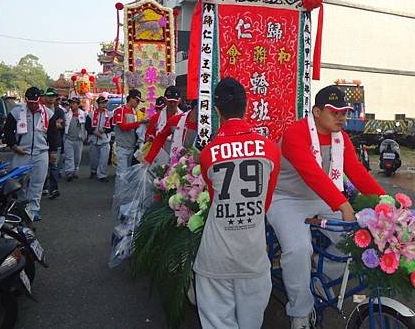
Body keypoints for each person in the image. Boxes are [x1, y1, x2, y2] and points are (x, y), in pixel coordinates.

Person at [266, 85, 385, 329]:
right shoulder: (295, 134)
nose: (342, 117)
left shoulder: (341, 139)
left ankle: (322, 280)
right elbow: (311, 173)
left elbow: (357, 172)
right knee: (299, 250)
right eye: (335, 112)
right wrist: (342, 204)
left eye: (344, 112)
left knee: (354, 239)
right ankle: (299, 311)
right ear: (317, 112)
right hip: (284, 199)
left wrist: (387, 202)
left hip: (321, 197)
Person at [194, 77, 281, 329]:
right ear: (247, 106)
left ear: (217, 110)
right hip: (253, 254)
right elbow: (265, 202)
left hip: (215, 256)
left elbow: (213, 200)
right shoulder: (270, 149)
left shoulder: (208, 153)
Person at [4, 87, 57, 221]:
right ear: (26, 100)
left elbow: (52, 135)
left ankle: (33, 209)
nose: (32, 105)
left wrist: (53, 152)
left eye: (35, 102)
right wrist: (14, 146)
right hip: (22, 152)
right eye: (30, 102)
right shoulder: (16, 112)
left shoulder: (48, 114)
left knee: (37, 183)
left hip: (41, 153)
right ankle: (21, 207)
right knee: (18, 182)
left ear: (40, 100)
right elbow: (8, 132)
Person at [112, 89, 149, 185]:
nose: (138, 103)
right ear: (131, 99)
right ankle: (119, 196)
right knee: (121, 174)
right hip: (122, 147)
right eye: (137, 100)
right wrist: (140, 122)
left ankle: (125, 195)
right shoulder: (120, 110)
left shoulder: (135, 112)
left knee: (127, 174)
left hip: (131, 147)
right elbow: (122, 127)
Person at [144, 100, 197, 165]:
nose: (172, 104)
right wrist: (148, 159)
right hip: (174, 162)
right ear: (195, 108)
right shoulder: (175, 120)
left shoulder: (208, 126)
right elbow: (160, 138)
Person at [42, 87, 65, 199]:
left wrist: (50, 125)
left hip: (56, 142)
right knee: (43, 166)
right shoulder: (41, 110)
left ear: (56, 98)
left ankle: (54, 189)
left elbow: (60, 126)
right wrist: (53, 124)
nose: (50, 99)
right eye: (48, 96)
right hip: (42, 142)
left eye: (53, 97)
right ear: (44, 97)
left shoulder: (59, 111)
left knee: (53, 166)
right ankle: (44, 187)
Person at [87, 95, 112, 182]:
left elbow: (111, 127)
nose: (103, 104)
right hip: (94, 139)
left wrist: (104, 130)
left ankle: (102, 175)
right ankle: (93, 171)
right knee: (93, 158)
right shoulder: (91, 114)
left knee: (104, 159)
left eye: (105, 103)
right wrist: (94, 132)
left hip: (105, 140)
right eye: (101, 103)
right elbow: (87, 126)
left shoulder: (109, 114)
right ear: (98, 104)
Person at [63, 97, 87, 181]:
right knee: (69, 157)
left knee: (77, 157)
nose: (71, 105)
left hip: (78, 139)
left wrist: (85, 137)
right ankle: (69, 173)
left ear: (78, 104)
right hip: (68, 138)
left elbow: (86, 127)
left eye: (74, 103)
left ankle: (75, 170)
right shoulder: (66, 114)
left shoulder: (83, 114)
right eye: (71, 103)